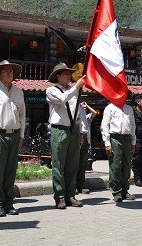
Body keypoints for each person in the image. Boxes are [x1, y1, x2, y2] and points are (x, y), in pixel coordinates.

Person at [0, 60, 26, 217]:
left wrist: (21, 135)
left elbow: (22, 115)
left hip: (14, 134)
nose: (9, 73)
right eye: (6, 71)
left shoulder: (19, 92)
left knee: (10, 171)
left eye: (11, 71)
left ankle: (8, 203)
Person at [46, 63, 85, 209]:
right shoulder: (51, 90)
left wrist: (80, 131)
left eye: (69, 74)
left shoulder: (74, 90)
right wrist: (76, 87)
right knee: (58, 165)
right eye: (65, 74)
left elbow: (78, 112)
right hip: (59, 130)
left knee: (72, 165)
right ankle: (60, 197)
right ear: (58, 76)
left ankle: (71, 195)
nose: (68, 76)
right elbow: (63, 99)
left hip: (73, 130)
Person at [101, 97, 136, 202]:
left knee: (126, 166)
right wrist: (107, 143)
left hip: (127, 139)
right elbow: (105, 126)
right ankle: (116, 191)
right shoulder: (109, 108)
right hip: (115, 138)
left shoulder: (129, 109)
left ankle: (125, 190)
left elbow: (133, 126)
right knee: (115, 166)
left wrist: (133, 143)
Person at [77, 101, 96, 195]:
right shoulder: (76, 110)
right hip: (77, 137)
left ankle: (81, 185)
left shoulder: (87, 117)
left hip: (86, 139)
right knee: (74, 164)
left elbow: (94, 113)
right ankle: (73, 186)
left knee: (82, 164)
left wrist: (87, 106)